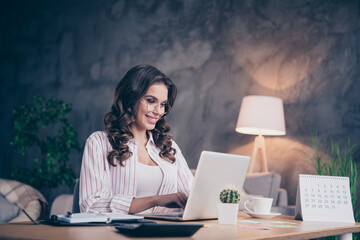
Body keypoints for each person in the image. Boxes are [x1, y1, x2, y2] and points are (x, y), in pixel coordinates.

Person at [79, 65, 194, 214]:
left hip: (165, 234)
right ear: (131, 99)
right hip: (117, 234)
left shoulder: (168, 147)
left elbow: (191, 196)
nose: (158, 111)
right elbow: (90, 206)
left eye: (163, 104)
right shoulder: (98, 143)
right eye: (151, 101)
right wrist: (155, 200)